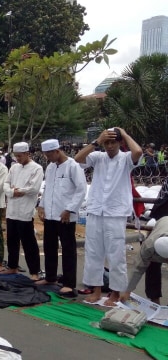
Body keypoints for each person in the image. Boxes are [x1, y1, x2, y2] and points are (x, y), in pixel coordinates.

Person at [75, 127, 142, 306]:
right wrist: (96, 141)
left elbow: (138, 151)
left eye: (114, 142)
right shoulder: (98, 157)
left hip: (116, 213)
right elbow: (77, 159)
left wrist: (125, 134)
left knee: (116, 254)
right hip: (96, 210)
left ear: (120, 143)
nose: (110, 146)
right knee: (93, 252)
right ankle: (96, 290)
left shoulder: (126, 159)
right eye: (107, 142)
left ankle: (115, 293)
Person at [36, 139, 87, 297]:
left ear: (57, 151)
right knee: (49, 247)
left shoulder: (73, 166)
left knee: (68, 250)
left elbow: (81, 189)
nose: (48, 158)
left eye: (49, 154)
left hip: (65, 216)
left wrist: (69, 209)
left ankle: (69, 284)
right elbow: (47, 189)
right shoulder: (50, 168)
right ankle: (50, 277)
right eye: (46, 155)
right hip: (50, 215)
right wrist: (41, 205)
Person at [0, 142, 43, 280]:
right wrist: (12, 192)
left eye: (20, 156)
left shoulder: (36, 168)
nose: (18, 159)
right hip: (12, 210)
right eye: (16, 156)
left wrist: (17, 190)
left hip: (25, 210)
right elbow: (6, 184)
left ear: (28, 153)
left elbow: (34, 188)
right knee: (11, 240)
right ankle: (13, 266)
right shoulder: (14, 168)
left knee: (28, 243)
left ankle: (34, 272)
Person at [120, 223, 168, 305]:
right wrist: (128, 292)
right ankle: (155, 301)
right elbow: (138, 269)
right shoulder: (148, 247)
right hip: (161, 224)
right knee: (152, 269)